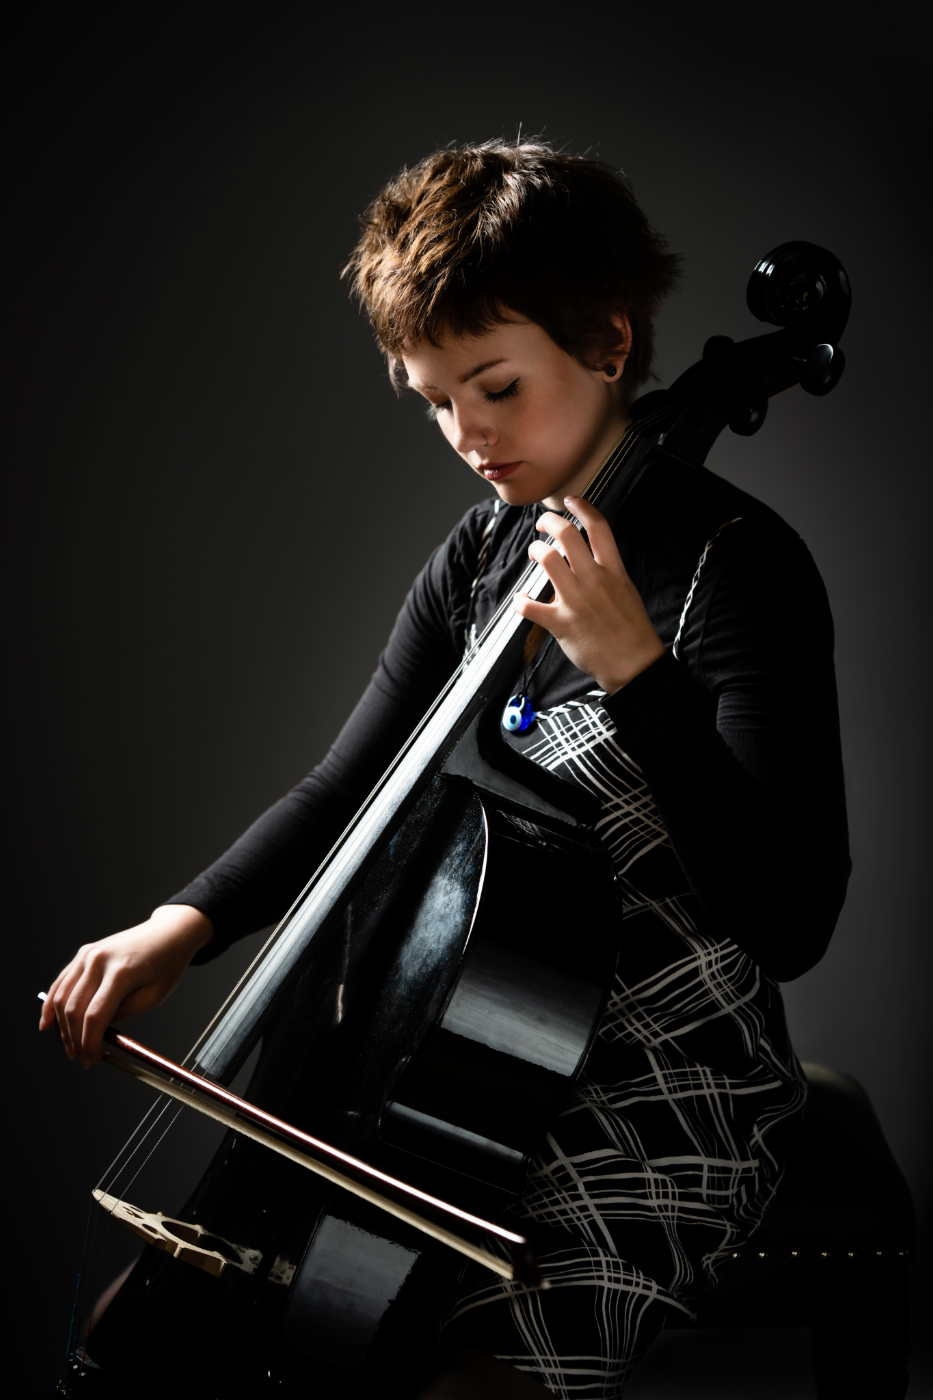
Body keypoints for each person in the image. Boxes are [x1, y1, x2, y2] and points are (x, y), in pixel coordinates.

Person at [40, 141, 851, 1398]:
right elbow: (346, 792)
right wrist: (180, 922)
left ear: (612, 344)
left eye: (496, 386)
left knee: (453, 1378)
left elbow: (793, 915)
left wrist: (642, 677)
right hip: (460, 1063)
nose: (468, 435)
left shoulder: (735, 567)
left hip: (668, 1085)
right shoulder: (480, 560)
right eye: (433, 399)